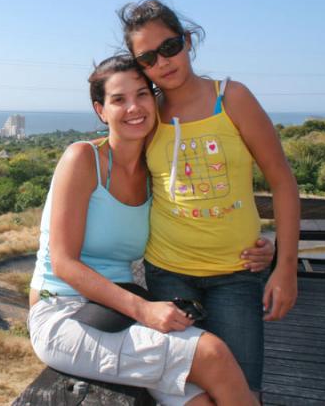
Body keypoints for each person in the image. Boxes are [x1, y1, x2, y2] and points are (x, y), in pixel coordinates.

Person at [29, 54, 260, 406]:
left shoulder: (156, 171)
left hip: (117, 309)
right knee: (212, 353)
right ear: (100, 110)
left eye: (142, 94)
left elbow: (204, 214)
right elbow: (63, 262)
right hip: (63, 311)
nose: (134, 107)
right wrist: (144, 310)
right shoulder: (82, 159)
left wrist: (262, 246)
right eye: (119, 99)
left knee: (200, 401)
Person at [118, 0, 300, 395]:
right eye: (148, 58)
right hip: (168, 275)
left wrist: (285, 266)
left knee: (244, 391)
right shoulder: (148, 117)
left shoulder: (231, 98)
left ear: (187, 41)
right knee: (189, 392)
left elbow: (283, 182)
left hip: (236, 275)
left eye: (169, 47)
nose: (163, 63)